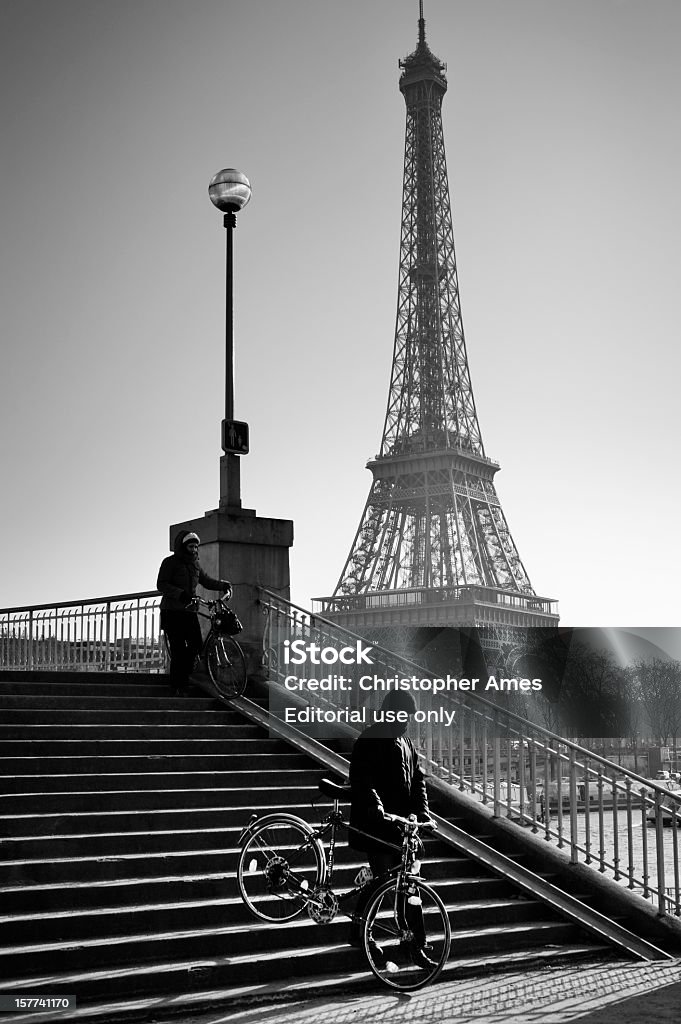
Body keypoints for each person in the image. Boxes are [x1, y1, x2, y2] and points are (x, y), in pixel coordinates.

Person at [348, 689, 437, 969]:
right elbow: (361, 779)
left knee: (409, 885)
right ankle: (363, 935)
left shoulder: (406, 742)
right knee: (381, 880)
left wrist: (422, 813)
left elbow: (418, 780)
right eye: (403, 715)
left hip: (401, 828)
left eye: (409, 716)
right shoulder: (370, 738)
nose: (407, 721)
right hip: (377, 826)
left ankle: (415, 944)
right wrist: (377, 806)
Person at [157, 530, 231, 694]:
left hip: (189, 611)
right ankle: (178, 686)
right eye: (191, 546)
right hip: (172, 612)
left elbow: (205, 580)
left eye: (196, 546)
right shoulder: (170, 562)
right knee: (178, 650)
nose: (194, 549)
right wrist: (180, 594)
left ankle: (186, 675)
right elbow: (161, 584)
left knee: (196, 645)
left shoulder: (195, 564)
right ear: (183, 547)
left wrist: (223, 585)